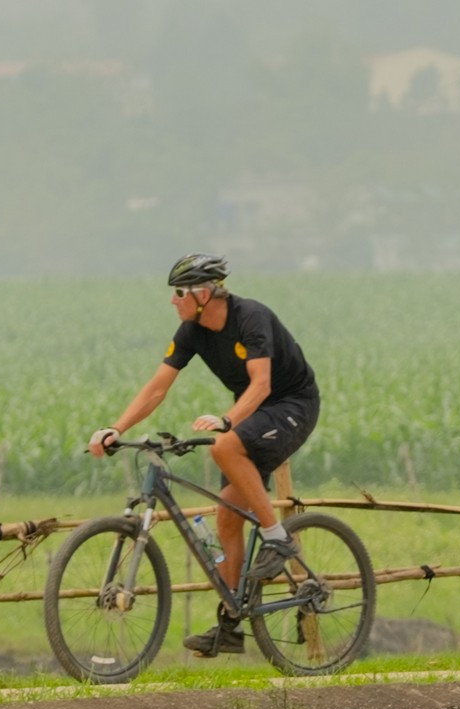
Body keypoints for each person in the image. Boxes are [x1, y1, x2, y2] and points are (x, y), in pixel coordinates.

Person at [89, 253, 320, 654]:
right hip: (255, 415)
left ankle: (278, 539)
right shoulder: (191, 330)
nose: (173, 301)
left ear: (203, 293)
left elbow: (262, 385)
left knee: (223, 446)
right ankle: (231, 626)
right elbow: (157, 387)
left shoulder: (251, 317)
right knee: (227, 521)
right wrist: (116, 428)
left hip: (291, 406)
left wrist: (228, 421)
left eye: (179, 293)